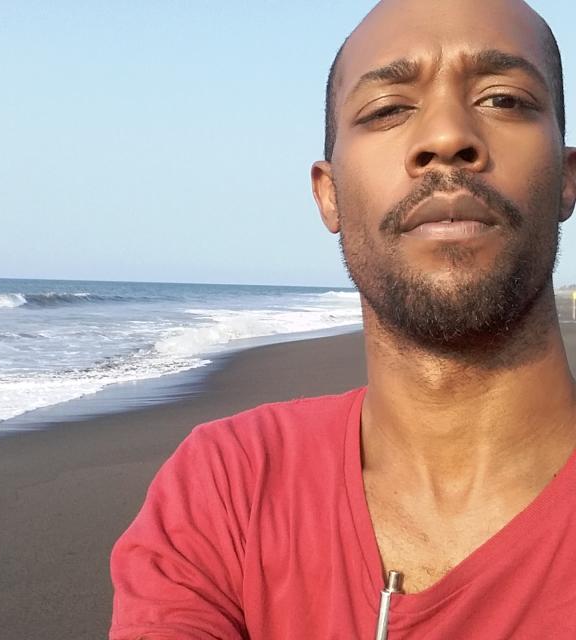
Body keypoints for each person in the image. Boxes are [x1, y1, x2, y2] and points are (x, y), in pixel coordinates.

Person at [110, 0, 576, 637]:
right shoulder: (229, 486)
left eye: (503, 99)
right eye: (387, 109)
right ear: (328, 194)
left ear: (568, 178)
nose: (446, 137)